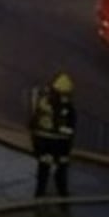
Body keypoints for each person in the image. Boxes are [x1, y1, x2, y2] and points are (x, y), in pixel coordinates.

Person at [29, 71, 76, 200]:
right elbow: (35, 127)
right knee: (46, 174)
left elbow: (70, 131)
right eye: (64, 94)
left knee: (56, 174)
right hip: (48, 146)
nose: (66, 98)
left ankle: (60, 198)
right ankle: (46, 199)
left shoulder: (63, 108)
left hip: (57, 147)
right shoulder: (46, 106)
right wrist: (40, 152)